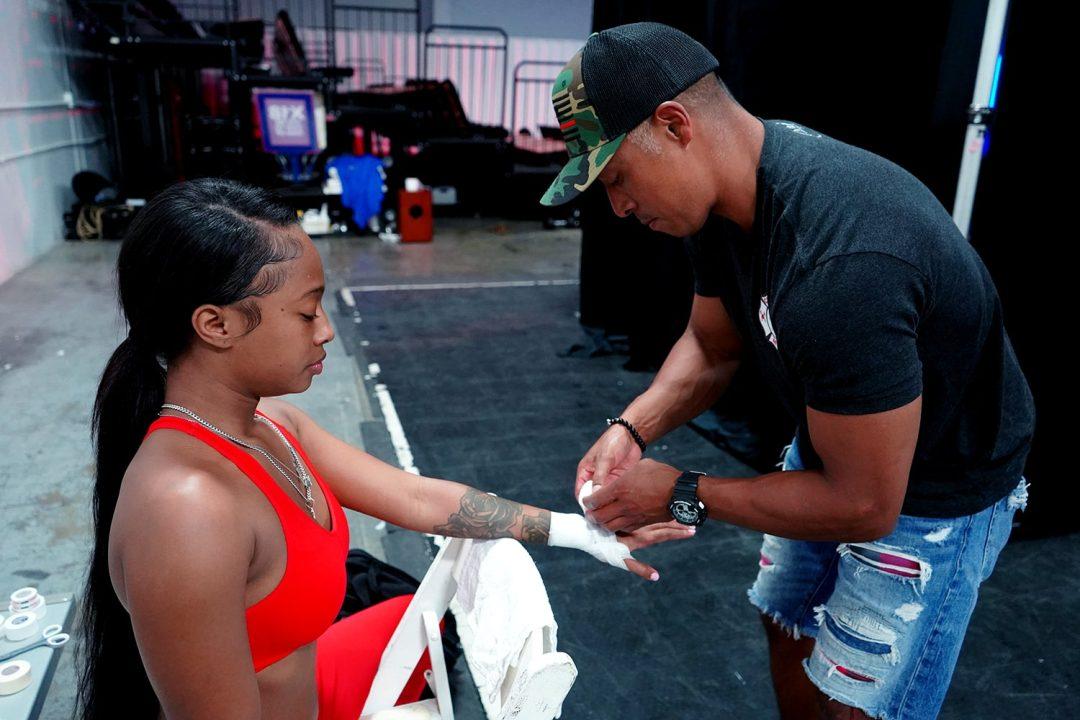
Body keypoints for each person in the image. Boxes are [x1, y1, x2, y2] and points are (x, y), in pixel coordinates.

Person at [540, 22, 1035, 720]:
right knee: (788, 621)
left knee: (854, 704)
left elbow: (866, 506)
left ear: (675, 125)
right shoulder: (722, 196)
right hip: (838, 447)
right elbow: (712, 345)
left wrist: (680, 493)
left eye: (617, 178)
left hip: (934, 489)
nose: (618, 207)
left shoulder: (841, 263)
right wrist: (633, 428)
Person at [77, 178, 693, 720]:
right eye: (306, 313)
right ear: (216, 325)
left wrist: (577, 531)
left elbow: (416, 497)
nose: (326, 331)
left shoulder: (271, 424)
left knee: (416, 618)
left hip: (310, 684)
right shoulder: (186, 511)